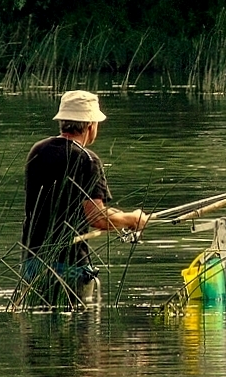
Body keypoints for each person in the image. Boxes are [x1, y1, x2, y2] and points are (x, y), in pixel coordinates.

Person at [19, 90, 149, 308]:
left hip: (33, 264)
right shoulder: (87, 159)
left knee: (38, 335)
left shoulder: (37, 151)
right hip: (68, 268)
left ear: (63, 121)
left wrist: (120, 214)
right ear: (90, 125)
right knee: (78, 340)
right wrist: (131, 219)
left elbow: (69, 207)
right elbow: (97, 218)